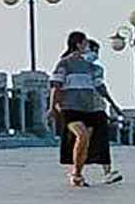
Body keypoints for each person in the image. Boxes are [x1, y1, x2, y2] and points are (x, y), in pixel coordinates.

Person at [51, 31, 119, 185]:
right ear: (78, 44)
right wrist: (52, 107)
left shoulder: (92, 67)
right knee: (82, 136)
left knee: (85, 140)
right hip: (70, 108)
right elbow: (56, 86)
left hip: (88, 109)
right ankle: (76, 173)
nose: (88, 47)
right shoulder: (65, 63)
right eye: (86, 43)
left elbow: (100, 87)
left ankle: (77, 173)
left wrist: (114, 105)